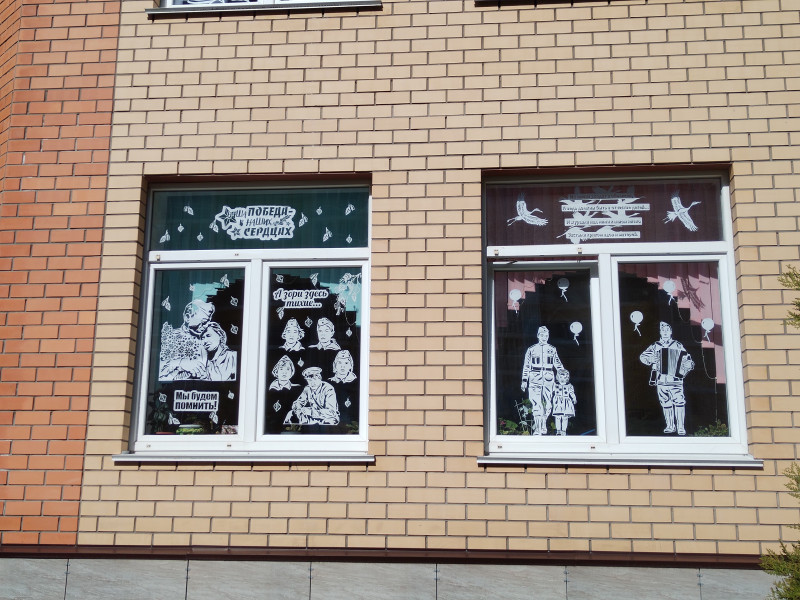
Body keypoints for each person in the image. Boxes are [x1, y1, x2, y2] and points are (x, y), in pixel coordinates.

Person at [639, 321, 695, 435]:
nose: (665, 332)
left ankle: (680, 427)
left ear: (671, 332)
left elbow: (687, 359)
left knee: (679, 402)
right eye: (663, 330)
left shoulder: (677, 345)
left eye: (667, 330)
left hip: (675, 380)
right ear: (660, 332)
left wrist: (689, 365)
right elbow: (642, 357)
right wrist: (651, 359)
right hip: (661, 380)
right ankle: (670, 426)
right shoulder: (655, 346)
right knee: (665, 403)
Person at [520, 326, 564, 435]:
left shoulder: (552, 349)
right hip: (535, 378)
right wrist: (524, 380)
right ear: (538, 336)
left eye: (546, 335)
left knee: (548, 405)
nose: (544, 337)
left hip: (548, 378)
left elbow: (558, 364)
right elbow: (526, 366)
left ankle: (543, 421)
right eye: (542, 335)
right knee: (536, 404)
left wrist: (563, 376)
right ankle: (538, 430)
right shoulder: (531, 349)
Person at [159, 299, 215, 381]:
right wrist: (181, 363)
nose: (206, 326)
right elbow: (156, 369)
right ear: (187, 317)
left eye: (208, 322)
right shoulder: (171, 337)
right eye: (203, 322)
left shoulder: (207, 339)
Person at [551, 369, 577, 436]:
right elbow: (551, 392)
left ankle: (563, 430)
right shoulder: (555, 385)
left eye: (564, 377)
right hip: (558, 403)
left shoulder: (569, 386)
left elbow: (572, 393)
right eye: (561, 377)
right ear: (558, 377)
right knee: (558, 417)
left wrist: (574, 399)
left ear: (567, 378)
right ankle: (558, 430)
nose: (562, 379)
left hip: (566, 403)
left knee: (565, 418)